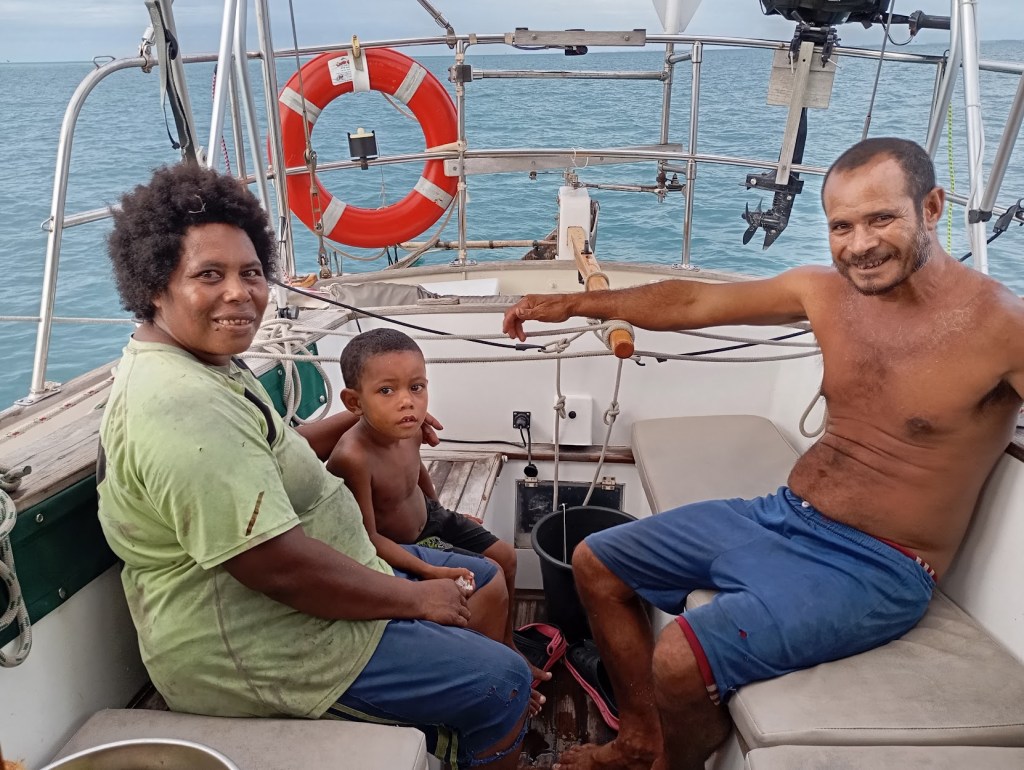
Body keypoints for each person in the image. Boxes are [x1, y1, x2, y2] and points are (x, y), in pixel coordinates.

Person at [502, 137, 1024, 770]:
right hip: (782, 515)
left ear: (932, 207)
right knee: (596, 560)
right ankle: (639, 740)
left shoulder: (1002, 328)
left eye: (882, 218)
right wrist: (576, 304)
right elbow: (695, 301)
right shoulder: (826, 292)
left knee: (680, 657)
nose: (859, 244)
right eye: (841, 226)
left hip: (878, 566)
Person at [97, 162, 530, 770]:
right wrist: (413, 600)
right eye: (208, 275)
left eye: (251, 273)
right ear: (153, 284)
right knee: (503, 684)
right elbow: (274, 566)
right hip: (261, 649)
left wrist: (368, 416)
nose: (239, 293)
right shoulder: (182, 405)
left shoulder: (205, 365)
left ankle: (445, 717)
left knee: (482, 582)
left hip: (313, 600)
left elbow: (277, 449)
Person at [326, 327, 550, 710]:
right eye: (386, 390)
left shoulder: (409, 428)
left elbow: (417, 473)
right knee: (484, 578)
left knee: (507, 556)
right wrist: (430, 571)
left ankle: (507, 643)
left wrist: (445, 511)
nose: (407, 402)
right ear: (354, 401)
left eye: (416, 387)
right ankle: (491, 667)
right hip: (400, 544)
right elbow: (368, 538)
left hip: (431, 516)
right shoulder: (352, 458)